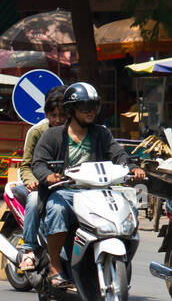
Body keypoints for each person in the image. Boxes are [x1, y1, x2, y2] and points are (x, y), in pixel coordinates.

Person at [30, 82, 145, 290]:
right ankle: (55, 266)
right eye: (84, 107)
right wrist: (48, 176)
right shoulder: (53, 135)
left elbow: (119, 155)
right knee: (56, 209)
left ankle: (116, 261)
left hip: (96, 193)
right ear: (71, 109)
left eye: (93, 106)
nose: (90, 111)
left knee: (127, 209)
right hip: (64, 192)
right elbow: (38, 163)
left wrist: (133, 167)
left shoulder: (101, 134)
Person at [15, 87, 66, 272]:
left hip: (68, 186)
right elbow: (27, 165)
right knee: (35, 199)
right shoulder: (37, 132)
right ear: (46, 114)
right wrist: (32, 181)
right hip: (41, 186)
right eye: (54, 115)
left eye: (63, 115)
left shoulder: (77, 131)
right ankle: (28, 249)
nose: (58, 120)